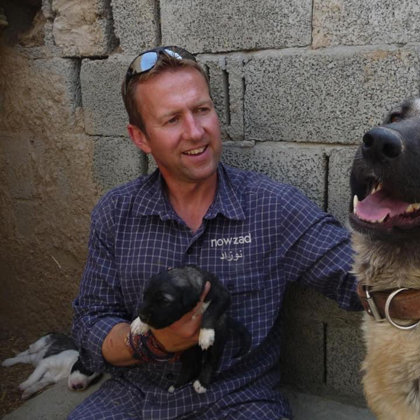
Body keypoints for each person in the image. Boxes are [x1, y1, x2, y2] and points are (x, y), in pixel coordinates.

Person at [69, 46, 362, 420]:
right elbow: (90, 320)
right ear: (140, 137)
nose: (196, 132)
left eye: (202, 110)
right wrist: (150, 343)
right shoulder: (116, 212)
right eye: (172, 119)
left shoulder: (271, 206)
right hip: (133, 395)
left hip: (235, 398)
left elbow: (359, 275)